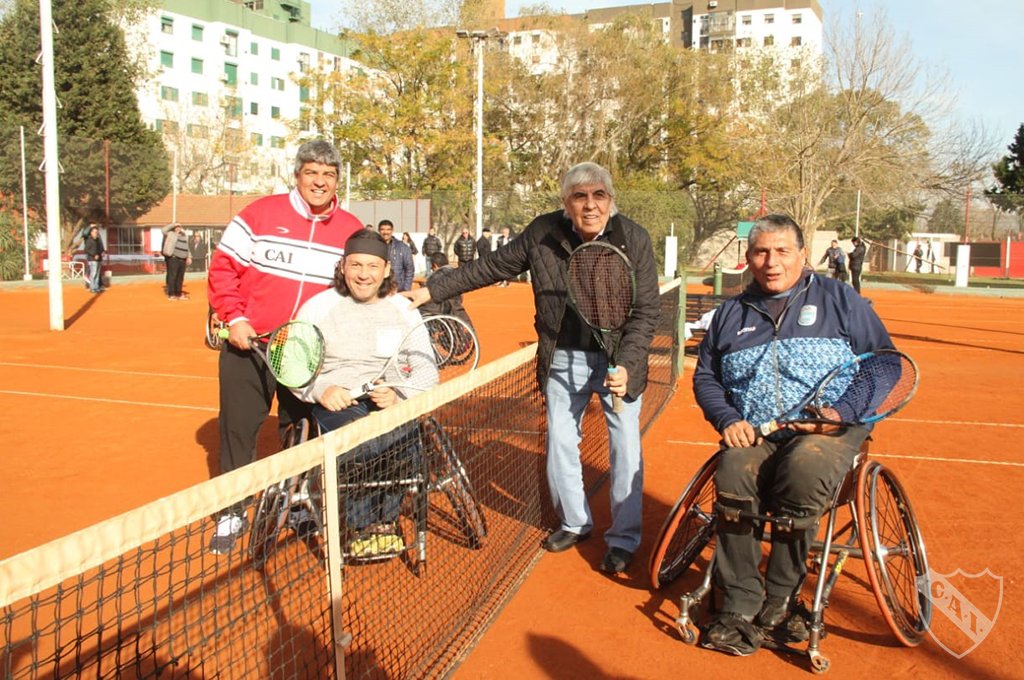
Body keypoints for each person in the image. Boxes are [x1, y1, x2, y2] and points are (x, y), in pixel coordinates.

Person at [403, 162, 660, 574]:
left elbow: (646, 312)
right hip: (562, 358)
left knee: (625, 449)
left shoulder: (633, 238)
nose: (590, 206)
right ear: (566, 204)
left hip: (619, 363)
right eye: (580, 197)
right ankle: (575, 522)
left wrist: (628, 364)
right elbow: (490, 266)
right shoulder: (542, 232)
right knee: (559, 443)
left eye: (599, 196)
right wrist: (431, 290)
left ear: (611, 201)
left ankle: (624, 538)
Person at [692, 214, 895, 656]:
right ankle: (740, 603)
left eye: (783, 251)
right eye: (761, 252)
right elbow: (706, 377)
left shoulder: (840, 298)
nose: (771, 262)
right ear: (748, 258)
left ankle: (781, 600)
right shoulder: (730, 313)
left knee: (804, 469)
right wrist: (728, 418)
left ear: (803, 255)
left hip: (829, 430)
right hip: (759, 431)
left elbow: (884, 361)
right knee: (733, 471)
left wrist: (840, 412)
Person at [206, 139, 363, 554]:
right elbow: (223, 270)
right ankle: (232, 510)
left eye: (329, 175)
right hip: (249, 345)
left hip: (307, 353)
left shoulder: (350, 228)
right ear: (297, 176)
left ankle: (300, 507)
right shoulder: (259, 214)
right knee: (238, 431)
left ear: (337, 182)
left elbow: (359, 287)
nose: (320, 182)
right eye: (312, 173)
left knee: (302, 433)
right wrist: (235, 317)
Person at [293, 229, 438, 557]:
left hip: (389, 399)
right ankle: (363, 525)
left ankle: (384, 522)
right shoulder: (317, 307)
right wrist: (319, 389)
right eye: (356, 265)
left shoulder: (403, 309)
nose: (363, 274)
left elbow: (426, 366)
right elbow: (294, 363)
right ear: (343, 266)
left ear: (387, 269)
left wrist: (402, 396)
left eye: (372, 266)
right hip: (337, 402)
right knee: (360, 443)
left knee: (402, 442)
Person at [419, 251, 474, 328]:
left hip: (438, 313)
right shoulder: (457, 274)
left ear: (434, 266)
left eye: (432, 267)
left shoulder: (433, 277)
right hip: (458, 313)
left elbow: (426, 295)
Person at [377, 220, 414, 292]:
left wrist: (406, 290)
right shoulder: (374, 247)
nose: (385, 232)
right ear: (379, 231)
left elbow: (409, 269)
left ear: (392, 231)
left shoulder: (402, 247)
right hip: (378, 289)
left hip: (397, 289)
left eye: (388, 229)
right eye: (382, 229)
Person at [161, 223, 191, 300]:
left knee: (180, 277)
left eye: (179, 227)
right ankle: (171, 294)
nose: (178, 228)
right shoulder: (170, 234)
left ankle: (178, 293)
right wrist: (173, 224)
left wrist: (189, 257)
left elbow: (187, 247)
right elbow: (163, 230)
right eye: (176, 227)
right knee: (173, 276)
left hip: (183, 258)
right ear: (174, 228)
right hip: (174, 258)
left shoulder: (184, 236)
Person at [83, 225, 105, 294]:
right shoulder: (89, 240)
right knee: (93, 274)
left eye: (97, 232)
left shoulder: (98, 240)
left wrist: (103, 252)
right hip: (92, 259)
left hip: (99, 259)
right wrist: (94, 255)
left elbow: (101, 248)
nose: (96, 233)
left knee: (97, 274)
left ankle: (96, 287)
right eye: (95, 232)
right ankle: (92, 288)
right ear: (91, 232)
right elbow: (86, 250)